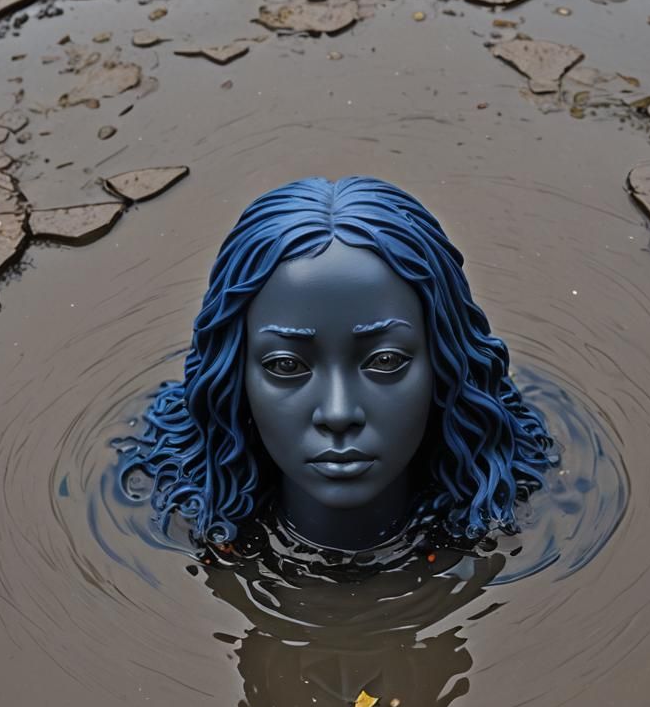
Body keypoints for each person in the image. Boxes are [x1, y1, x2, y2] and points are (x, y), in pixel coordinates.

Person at [118, 176, 557, 553]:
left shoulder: (549, 510)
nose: (339, 413)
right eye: (286, 366)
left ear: (446, 364)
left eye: (386, 360)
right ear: (232, 376)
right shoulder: (159, 510)